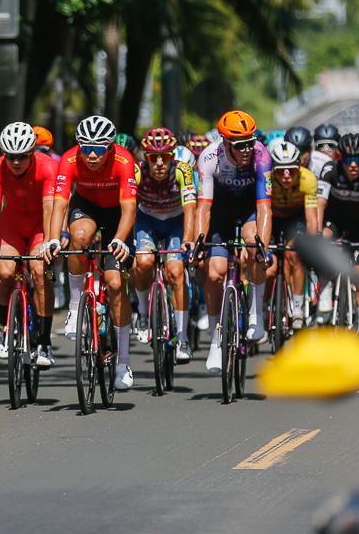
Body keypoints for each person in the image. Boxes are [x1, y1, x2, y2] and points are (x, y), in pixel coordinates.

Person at [43, 115, 138, 390]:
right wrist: (51, 239)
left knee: (116, 285)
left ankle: (123, 361)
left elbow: (130, 208)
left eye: (99, 148)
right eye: (86, 148)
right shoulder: (70, 160)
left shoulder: (124, 160)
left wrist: (120, 240)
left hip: (117, 213)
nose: (92, 155)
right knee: (79, 237)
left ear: (110, 147)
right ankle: (74, 308)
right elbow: (60, 203)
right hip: (86, 206)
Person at [195, 110, 273, 372]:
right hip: (219, 212)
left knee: (254, 246)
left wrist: (263, 244)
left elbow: (264, 209)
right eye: (240, 145)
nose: (247, 149)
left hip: (249, 209)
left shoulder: (262, 155)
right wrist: (199, 241)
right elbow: (203, 208)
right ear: (225, 143)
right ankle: (216, 341)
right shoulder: (208, 157)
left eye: (250, 143)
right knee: (215, 273)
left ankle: (255, 314)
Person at [0, 122, 59, 366]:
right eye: (10, 156)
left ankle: (45, 341)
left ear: (32, 153)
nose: (15, 162)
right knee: (5, 272)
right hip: (12, 225)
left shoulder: (49, 166)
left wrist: (50, 242)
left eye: (22, 156)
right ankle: (5, 326)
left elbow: (50, 208)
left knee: (40, 272)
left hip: (40, 224)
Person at [129, 127, 198, 358]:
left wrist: (188, 240)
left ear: (173, 157)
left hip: (175, 223)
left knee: (176, 271)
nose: (159, 163)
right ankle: (142, 311)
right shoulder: (137, 172)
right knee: (144, 262)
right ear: (145, 158)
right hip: (147, 220)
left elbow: (190, 210)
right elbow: (127, 207)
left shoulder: (183, 170)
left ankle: (183, 338)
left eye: (165, 157)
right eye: (153, 158)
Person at [318, 132, 359, 332]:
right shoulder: (329, 169)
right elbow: (320, 204)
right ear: (340, 158)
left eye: (358, 159)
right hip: (334, 223)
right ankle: (326, 284)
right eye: (348, 159)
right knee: (324, 239)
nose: (353, 165)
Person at [266, 139, 321, 328]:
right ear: (274, 170)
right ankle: (264, 308)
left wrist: (312, 246)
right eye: (281, 170)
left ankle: (297, 310)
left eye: (292, 170)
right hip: (271, 218)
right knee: (268, 267)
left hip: (294, 219)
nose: (287, 175)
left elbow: (312, 219)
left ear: (299, 168)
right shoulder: (267, 179)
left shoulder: (308, 179)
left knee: (294, 255)